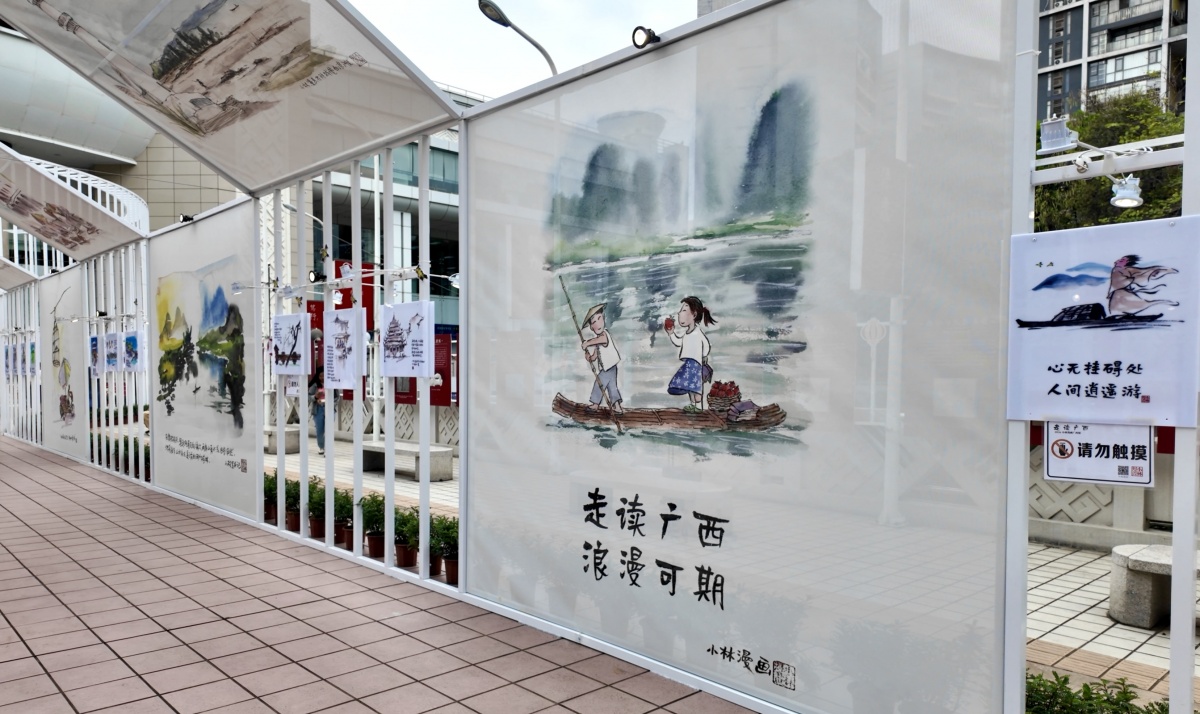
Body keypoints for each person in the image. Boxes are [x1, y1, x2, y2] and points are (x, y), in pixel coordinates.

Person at [665, 296, 716, 413]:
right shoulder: (687, 333)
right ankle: (693, 405)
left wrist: (704, 356)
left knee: (696, 386)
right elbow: (679, 342)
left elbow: (706, 345)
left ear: (694, 315)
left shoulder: (698, 333)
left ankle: (698, 406)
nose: (680, 313)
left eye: (684, 310)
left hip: (696, 364)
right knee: (689, 386)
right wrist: (671, 333)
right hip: (688, 364)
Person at [580, 303, 624, 414]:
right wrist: (590, 358)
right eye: (594, 322)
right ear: (591, 327)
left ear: (603, 319)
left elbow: (600, 340)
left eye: (599, 318)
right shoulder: (598, 342)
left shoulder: (604, 335)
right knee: (612, 387)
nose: (598, 323)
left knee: (599, 384)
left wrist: (587, 343)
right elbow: (595, 356)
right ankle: (617, 407)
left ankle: (595, 404)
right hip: (610, 368)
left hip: (609, 368)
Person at [1107, 254, 1179, 316]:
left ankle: (1162, 302)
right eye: (1119, 260)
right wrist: (1110, 292)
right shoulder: (1116, 270)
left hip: (1122, 293)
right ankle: (1118, 315)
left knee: (1131, 304)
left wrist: (1162, 270)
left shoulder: (1128, 270)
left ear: (1127, 263)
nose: (1116, 261)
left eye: (1121, 261)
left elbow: (1144, 271)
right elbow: (1114, 284)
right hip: (1118, 293)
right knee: (1118, 306)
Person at [310, 366, 326, 455]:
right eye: (320, 376)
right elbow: (308, 396)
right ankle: (321, 447)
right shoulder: (315, 385)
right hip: (318, 408)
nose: (322, 378)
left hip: (329, 408)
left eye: (324, 375)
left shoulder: (331, 384)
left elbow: (337, 397)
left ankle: (328, 446)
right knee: (319, 429)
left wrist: (332, 403)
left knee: (328, 428)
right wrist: (315, 397)